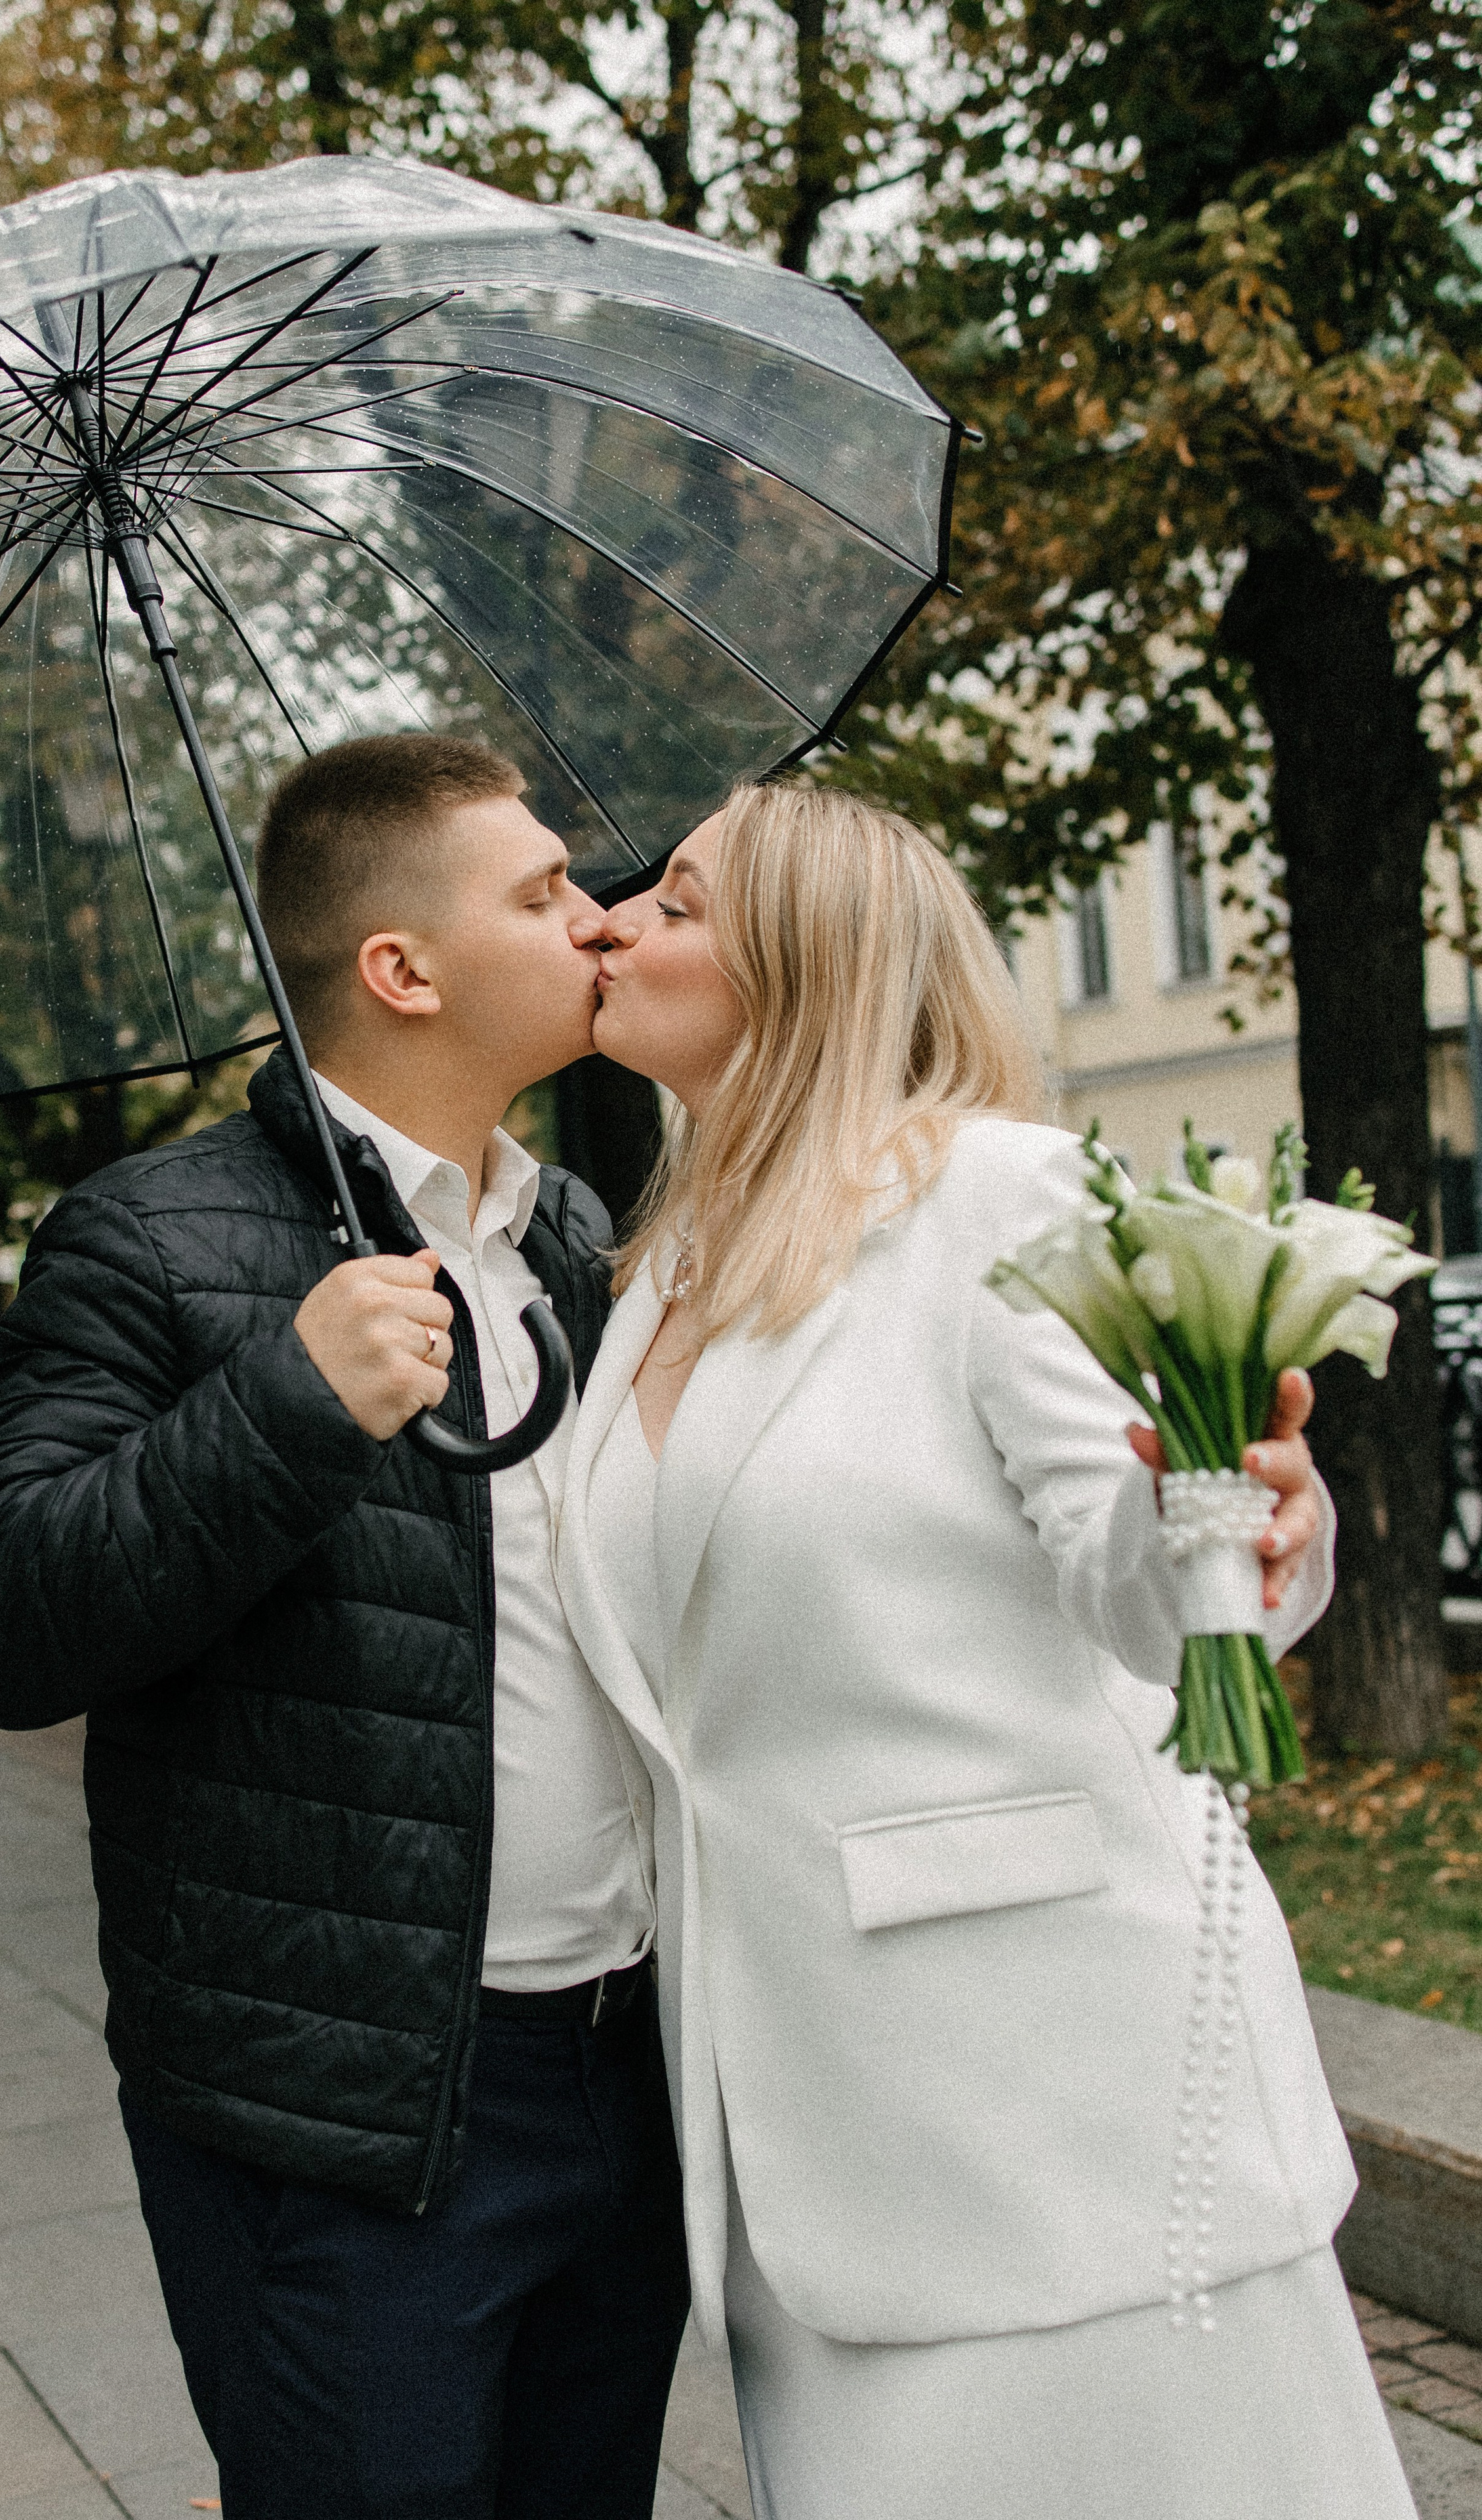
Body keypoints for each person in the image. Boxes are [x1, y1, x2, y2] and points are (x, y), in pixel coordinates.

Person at [552, 782, 1417, 2520]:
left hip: (1056, 2102)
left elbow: (1147, 1592)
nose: (616, 922)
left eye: (683, 903)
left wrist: (1236, 1516)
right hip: (784, 2109)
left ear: (808, 963)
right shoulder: (654, 1265)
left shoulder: (997, 1201)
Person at [0, 734, 689, 2520]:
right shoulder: (149, 1237)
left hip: (624, 2071)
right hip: (349, 2126)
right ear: (400, 970)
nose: (594, 924)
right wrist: (282, 1400)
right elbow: (1, 1622)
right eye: (539, 893)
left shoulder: (571, 1228)